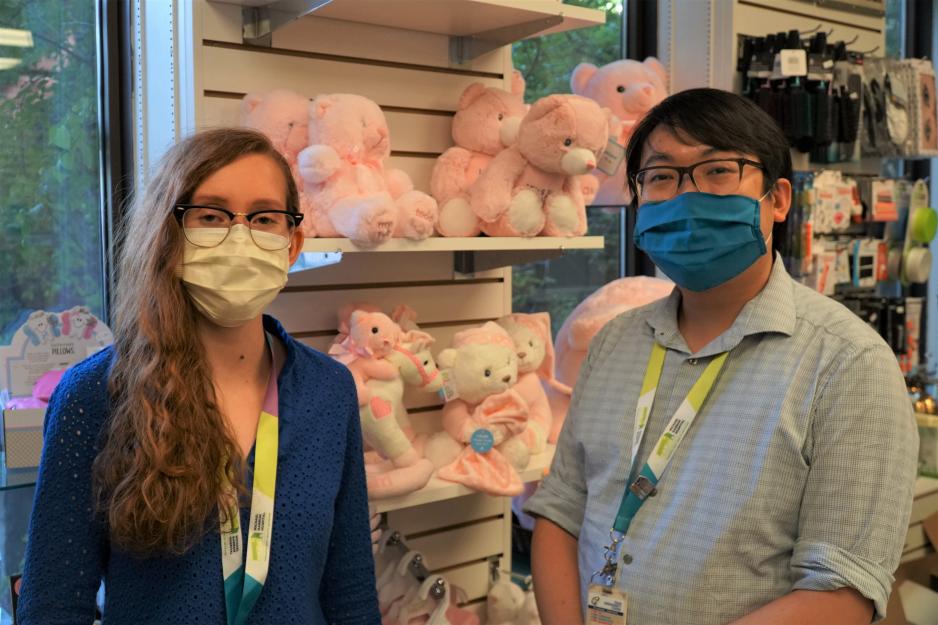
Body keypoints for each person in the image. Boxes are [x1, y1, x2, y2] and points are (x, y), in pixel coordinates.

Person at [525, 88, 918, 625]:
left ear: (777, 199)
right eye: (661, 177)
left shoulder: (847, 364)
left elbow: (842, 593)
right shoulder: (614, 341)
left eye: (717, 171)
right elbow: (561, 510)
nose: (687, 197)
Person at [18, 128, 381, 624]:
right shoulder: (94, 395)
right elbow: (53, 607)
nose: (238, 236)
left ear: (292, 243)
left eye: (263, 217)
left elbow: (351, 594)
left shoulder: (329, 391)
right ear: (169, 234)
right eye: (210, 216)